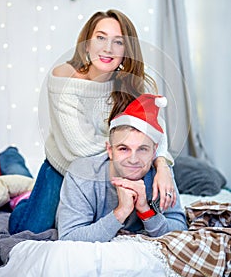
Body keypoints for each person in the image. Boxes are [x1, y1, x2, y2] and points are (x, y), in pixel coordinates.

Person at [9, 10, 175, 234]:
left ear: (126, 50)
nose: (108, 48)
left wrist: (161, 164)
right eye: (100, 38)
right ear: (86, 44)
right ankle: (19, 188)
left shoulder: (130, 84)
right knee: (29, 230)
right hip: (64, 168)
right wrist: (136, 148)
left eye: (118, 42)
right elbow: (82, 147)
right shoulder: (65, 79)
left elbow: (156, 127)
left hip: (108, 169)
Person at [57, 94, 187, 242]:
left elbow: (180, 228)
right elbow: (69, 237)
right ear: (110, 150)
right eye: (123, 149)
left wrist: (145, 210)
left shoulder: (161, 176)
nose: (133, 160)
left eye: (142, 149)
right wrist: (121, 211)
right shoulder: (82, 175)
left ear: (154, 152)